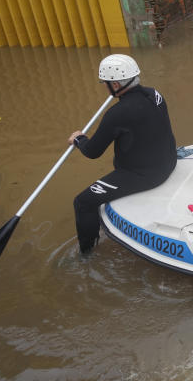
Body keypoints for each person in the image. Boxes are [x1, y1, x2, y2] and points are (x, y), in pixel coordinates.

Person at [68, 54, 177, 254]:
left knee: (82, 202)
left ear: (116, 85)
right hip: (169, 162)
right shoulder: (155, 95)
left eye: (106, 83)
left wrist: (78, 139)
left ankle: (87, 254)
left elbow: (93, 152)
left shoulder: (118, 113)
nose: (104, 87)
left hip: (145, 175)